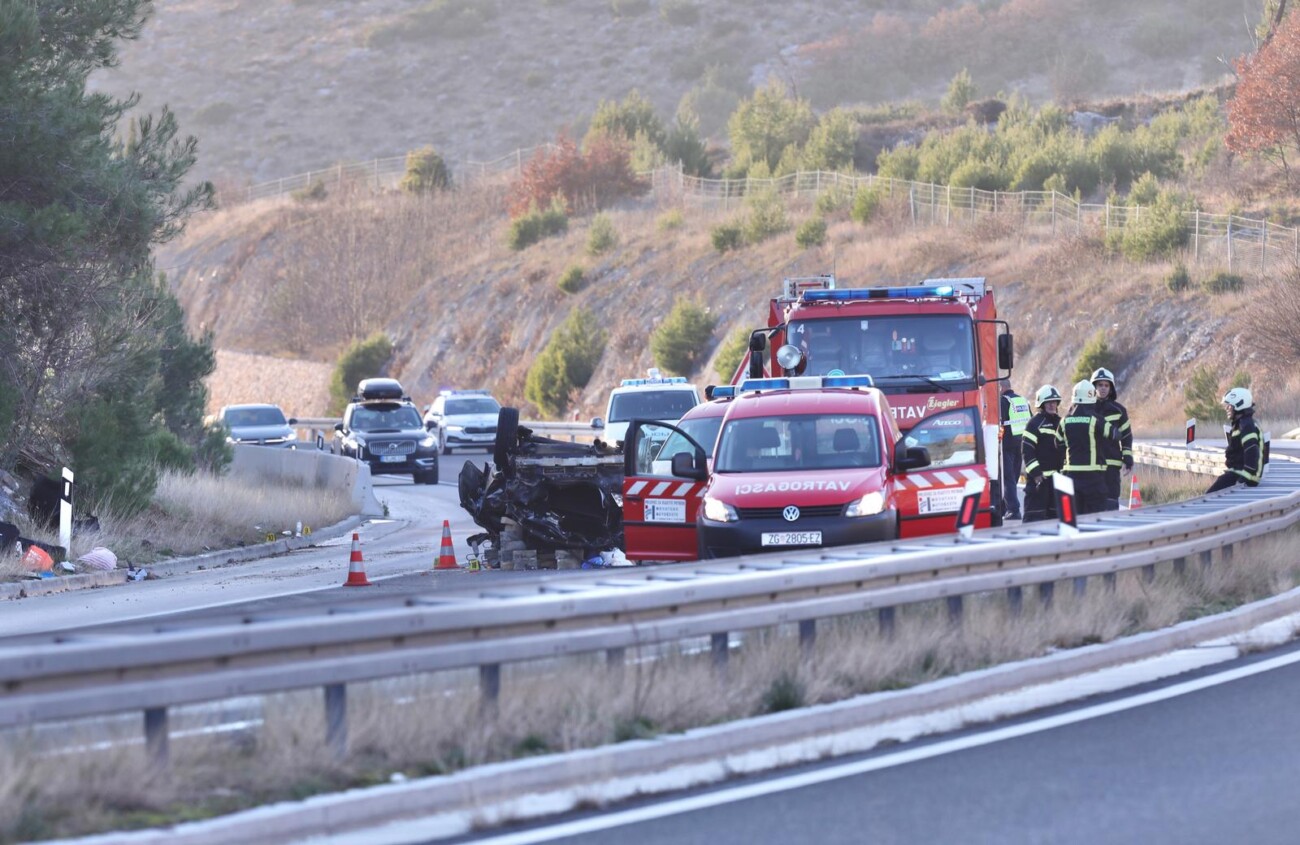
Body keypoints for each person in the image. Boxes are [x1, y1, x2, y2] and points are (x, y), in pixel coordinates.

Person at [1062, 379, 1112, 515]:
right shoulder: (1096, 419)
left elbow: (1058, 442)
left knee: (1072, 517)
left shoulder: (1064, 420)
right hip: (1093, 476)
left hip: (1071, 476)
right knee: (1096, 517)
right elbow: (1114, 434)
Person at [1020, 385, 1065, 522]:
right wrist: (1036, 473)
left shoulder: (1060, 422)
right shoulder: (1034, 423)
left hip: (1057, 480)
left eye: (1054, 402)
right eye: (1048, 402)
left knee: (1056, 519)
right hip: (1039, 481)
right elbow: (1027, 449)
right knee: (1034, 518)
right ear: (1041, 404)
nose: (1052, 405)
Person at [1207, 387, 1264, 493]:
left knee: (1209, 496)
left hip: (1246, 476)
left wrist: (1242, 480)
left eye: (1229, 405)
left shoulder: (1246, 425)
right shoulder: (1242, 423)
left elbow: (1252, 452)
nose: (1227, 408)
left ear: (1239, 404)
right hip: (1239, 473)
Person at [1091, 368, 1132, 511]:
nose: (1103, 388)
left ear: (1111, 388)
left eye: (1106, 385)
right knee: (1093, 503)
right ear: (1093, 387)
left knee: (1111, 502)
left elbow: (1126, 436)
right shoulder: (1086, 409)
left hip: (1112, 464)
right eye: (1100, 385)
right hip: (1092, 465)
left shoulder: (1119, 410)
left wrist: (1128, 458)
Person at [999, 385, 1032, 520]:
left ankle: (1013, 510)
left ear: (1001, 387)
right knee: (1014, 476)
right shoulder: (1022, 400)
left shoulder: (1003, 401)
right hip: (1023, 442)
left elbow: (999, 423)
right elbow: (1031, 419)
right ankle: (1004, 508)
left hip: (1008, 444)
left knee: (1008, 478)